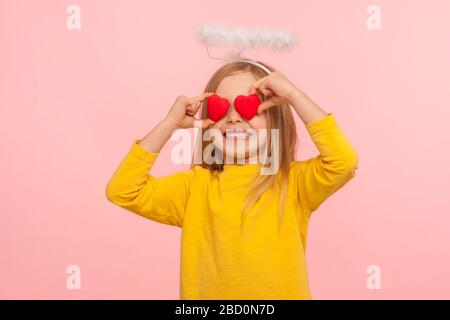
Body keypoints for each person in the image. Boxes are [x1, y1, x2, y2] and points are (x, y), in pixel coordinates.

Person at [105, 60, 359, 299]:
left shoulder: (293, 183)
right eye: (221, 108)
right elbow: (123, 190)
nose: (234, 118)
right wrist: (169, 124)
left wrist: (293, 94)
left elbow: (343, 162)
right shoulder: (195, 187)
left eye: (249, 105)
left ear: (275, 118)